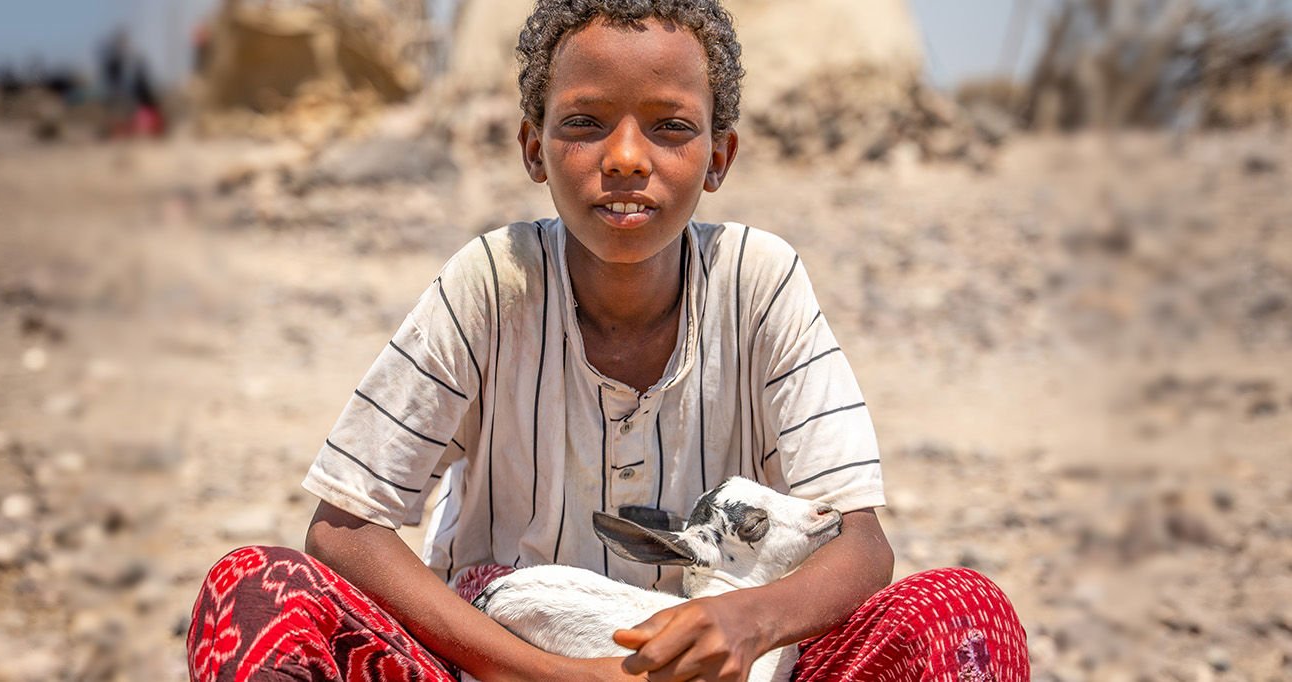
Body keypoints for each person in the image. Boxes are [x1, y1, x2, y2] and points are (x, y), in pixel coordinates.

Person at [186, 1, 1028, 680]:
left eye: (670, 127)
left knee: (960, 612)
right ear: (534, 147)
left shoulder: (760, 284)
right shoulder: (491, 285)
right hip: (499, 669)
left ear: (719, 155)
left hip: (729, 672)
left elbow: (862, 544)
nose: (626, 158)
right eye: (585, 123)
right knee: (254, 589)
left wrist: (744, 622)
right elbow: (345, 529)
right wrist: (541, 673)